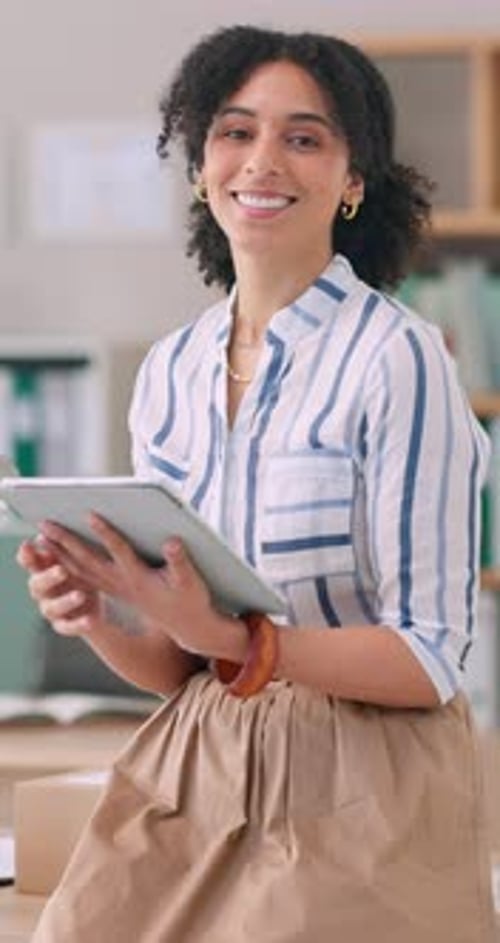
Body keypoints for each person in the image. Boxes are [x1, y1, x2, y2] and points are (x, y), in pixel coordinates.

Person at [18, 24, 496, 942]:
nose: (262, 160)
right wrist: (102, 610)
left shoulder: (398, 361)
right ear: (201, 165)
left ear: (354, 180)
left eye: (304, 137)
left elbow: (430, 655)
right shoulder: (170, 371)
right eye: (235, 132)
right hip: (201, 763)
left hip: (360, 783)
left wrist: (245, 644)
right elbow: (182, 666)